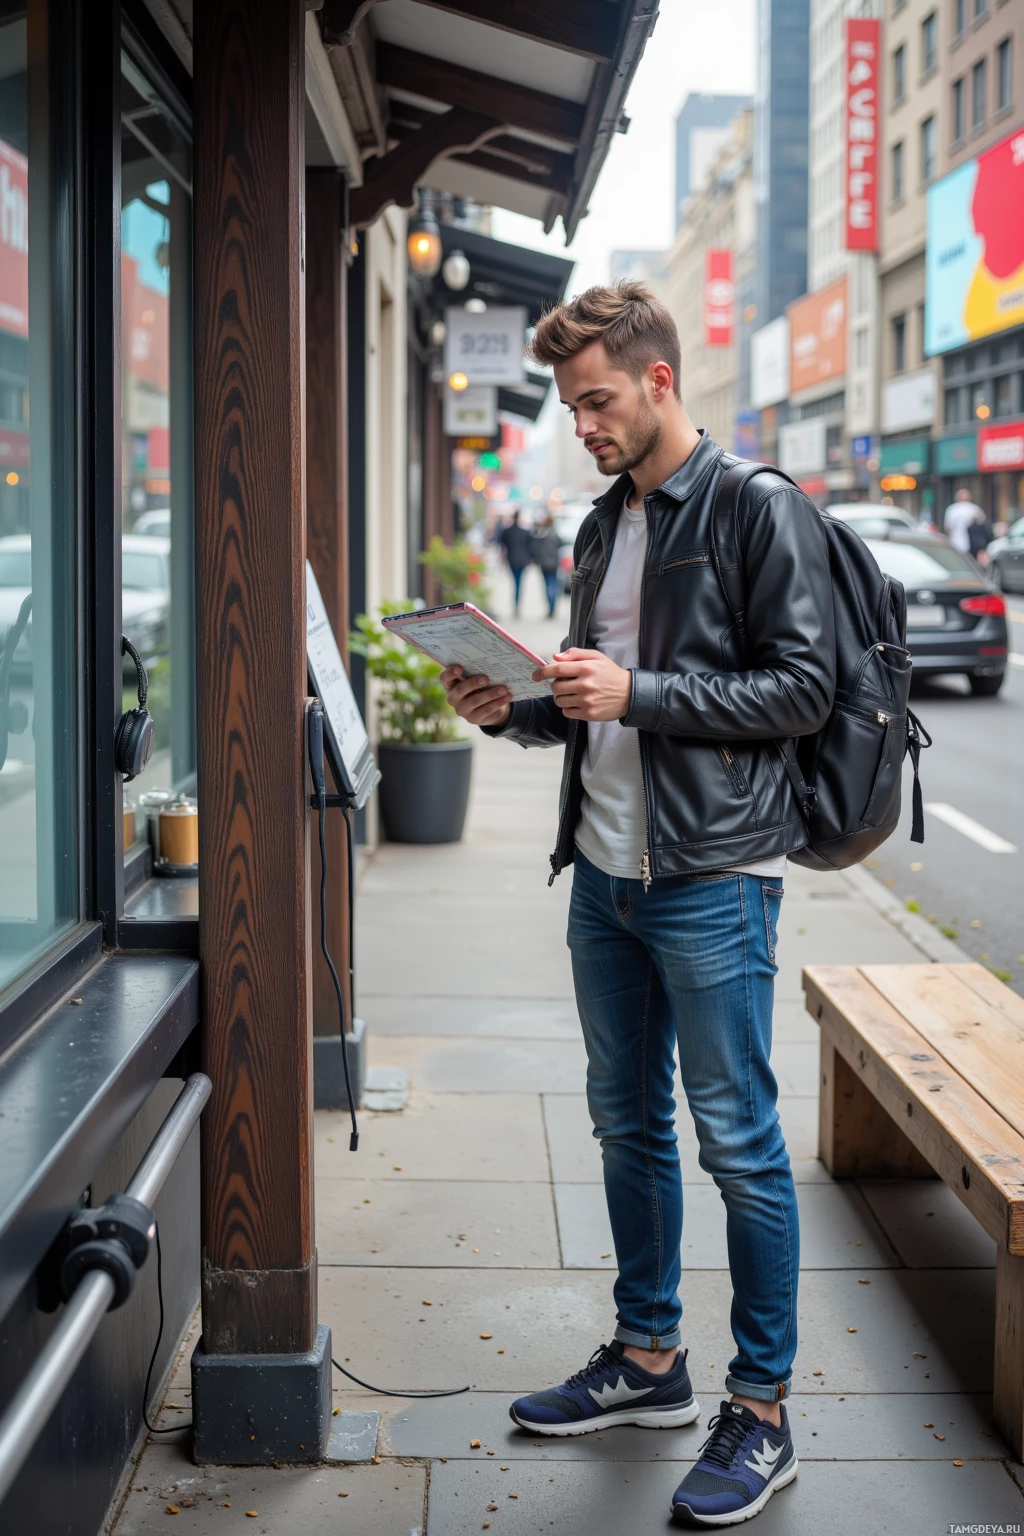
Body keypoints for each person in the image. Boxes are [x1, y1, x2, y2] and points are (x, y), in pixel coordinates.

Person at [441, 281, 835, 1528]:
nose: (582, 425)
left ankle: (761, 1409)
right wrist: (520, 709)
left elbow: (802, 692)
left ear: (660, 381)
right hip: (605, 880)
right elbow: (592, 700)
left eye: (597, 400)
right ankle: (650, 1357)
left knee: (740, 1144)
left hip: (714, 882)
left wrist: (639, 692)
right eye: (568, 407)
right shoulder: (604, 523)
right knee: (626, 1125)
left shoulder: (756, 509)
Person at [497, 509, 534, 614]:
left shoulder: (507, 531)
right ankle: (517, 604)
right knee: (519, 583)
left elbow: (501, 544)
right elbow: (530, 547)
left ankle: (516, 604)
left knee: (515, 582)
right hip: (522, 561)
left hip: (512, 560)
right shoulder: (525, 532)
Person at [530, 513, 562, 618]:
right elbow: (560, 544)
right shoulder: (554, 533)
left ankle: (550, 608)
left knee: (547, 585)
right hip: (553, 563)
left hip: (544, 564)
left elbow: (536, 547)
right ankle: (552, 608)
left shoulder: (542, 533)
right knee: (553, 585)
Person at [943, 487, 986, 555]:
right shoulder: (973, 508)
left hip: (964, 540)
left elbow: (948, 527)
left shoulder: (952, 509)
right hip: (967, 541)